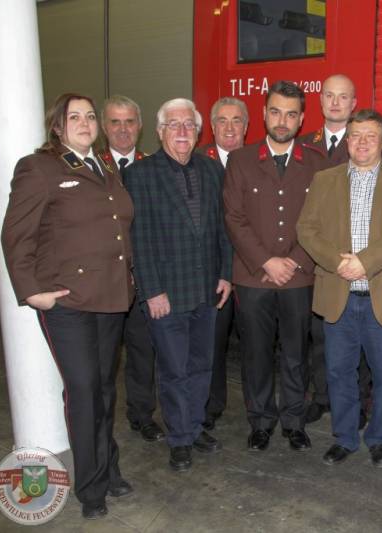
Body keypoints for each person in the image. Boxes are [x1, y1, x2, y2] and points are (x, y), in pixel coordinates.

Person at [2, 93, 134, 519]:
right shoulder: (39, 167)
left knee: (105, 389)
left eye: (90, 116)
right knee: (83, 391)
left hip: (110, 296)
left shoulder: (104, 167)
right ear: (57, 125)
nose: (84, 122)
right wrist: (31, 290)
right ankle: (91, 488)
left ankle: (109, 469)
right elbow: (15, 234)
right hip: (68, 303)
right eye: (74, 117)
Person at [297, 109, 382, 468]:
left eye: (371, 135)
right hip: (339, 292)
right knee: (339, 372)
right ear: (347, 140)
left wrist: (365, 262)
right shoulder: (325, 180)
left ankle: (379, 438)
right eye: (355, 135)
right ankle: (345, 437)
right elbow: (306, 229)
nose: (362, 142)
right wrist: (336, 262)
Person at [124, 98, 233, 473]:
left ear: (198, 132)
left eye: (189, 125)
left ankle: (196, 426)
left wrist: (225, 274)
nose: (183, 131)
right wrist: (151, 290)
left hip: (206, 288)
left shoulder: (212, 170)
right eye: (174, 125)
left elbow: (222, 228)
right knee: (174, 369)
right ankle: (180, 438)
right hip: (165, 294)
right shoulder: (140, 175)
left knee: (202, 365)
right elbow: (139, 239)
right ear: (160, 132)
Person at [224, 81, 323, 453]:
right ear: (264, 113)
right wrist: (266, 261)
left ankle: (294, 422)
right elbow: (234, 218)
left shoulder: (316, 163)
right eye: (276, 112)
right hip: (253, 277)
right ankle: (261, 422)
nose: (283, 120)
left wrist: (293, 262)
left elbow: (321, 221)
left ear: (301, 119)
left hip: (298, 277)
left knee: (296, 355)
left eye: (291, 114)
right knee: (257, 355)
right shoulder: (241, 160)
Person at [297, 74, 372, 427]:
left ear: (354, 103)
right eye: (329, 95)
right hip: (315, 255)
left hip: (356, 259)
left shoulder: (365, 143)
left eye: (344, 97)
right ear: (320, 100)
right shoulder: (303, 146)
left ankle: (359, 402)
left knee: (360, 335)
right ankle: (322, 396)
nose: (336, 102)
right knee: (319, 333)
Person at [99, 94, 165, 443]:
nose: (122, 129)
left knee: (142, 351)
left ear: (140, 127)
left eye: (129, 122)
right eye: (115, 122)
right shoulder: (91, 167)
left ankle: (142, 414)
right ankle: (98, 420)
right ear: (104, 127)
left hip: (141, 279)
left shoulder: (153, 167)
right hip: (102, 282)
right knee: (102, 358)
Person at [198, 97, 249, 431]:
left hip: (253, 270)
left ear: (247, 126)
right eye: (222, 120)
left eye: (236, 120)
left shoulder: (258, 159)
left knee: (256, 345)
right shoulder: (196, 161)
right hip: (214, 272)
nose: (229, 128)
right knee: (211, 344)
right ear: (212, 126)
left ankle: (258, 409)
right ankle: (210, 405)